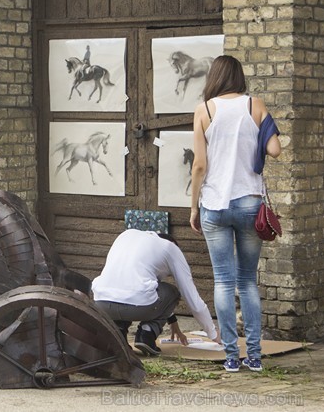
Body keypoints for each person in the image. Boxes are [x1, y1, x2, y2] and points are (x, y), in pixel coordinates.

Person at [190, 55, 281, 373]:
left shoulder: (205, 110)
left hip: (214, 205)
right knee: (247, 281)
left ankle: (231, 356)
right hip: (249, 204)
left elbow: (199, 165)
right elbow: (275, 150)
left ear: (214, 77)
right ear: (239, 76)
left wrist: (193, 206)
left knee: (224, 281)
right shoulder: (255, 105)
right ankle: (254, 356)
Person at [92, 229, 220, 356]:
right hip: (137, 306)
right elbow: (193, 301)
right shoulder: (171, 248)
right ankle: (147, 333)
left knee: (127, 288)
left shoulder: (127, 234)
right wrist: (213, 334)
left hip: (101, 302)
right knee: (172, 291)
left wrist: (173, 322)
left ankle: (118, 333)